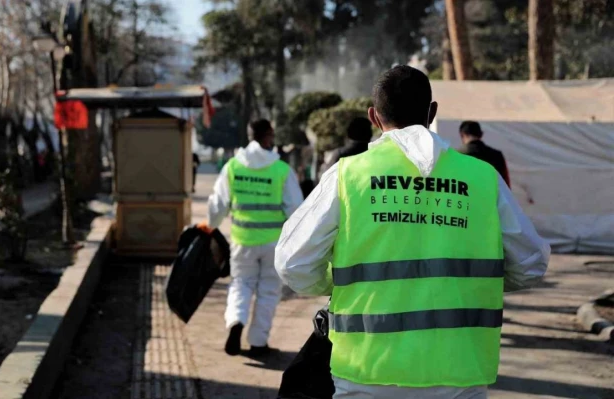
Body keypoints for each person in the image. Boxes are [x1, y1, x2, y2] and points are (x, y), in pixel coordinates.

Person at [275, 66, 550, 399]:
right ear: (432, 111)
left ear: (374, 117)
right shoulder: (483, 178)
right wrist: (470, 287)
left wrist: (337, 283)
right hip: (460, 373)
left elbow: (293, 263)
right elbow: (532, 262)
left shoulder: (348, 176)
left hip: (367, 373)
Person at [202, 119, 303, 357]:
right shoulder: (281, 170)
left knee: (241, 284)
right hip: (273, 243)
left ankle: (236, 321)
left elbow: (218, 205)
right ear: (268, 136)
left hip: (242, 241)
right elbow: (296, 210)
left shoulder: (233, 167)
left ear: (249, 135)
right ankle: (258, 343)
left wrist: (210, 227)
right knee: (268, 290)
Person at [317, 117, 373, 181]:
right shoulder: (374, 154)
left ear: (349, 134)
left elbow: (327, 180)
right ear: (370, 134)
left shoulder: (340, 154)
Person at [459, 121, 511, 187]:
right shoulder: (497, 155)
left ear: (462, 135)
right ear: (481, 134)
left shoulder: (454, 157)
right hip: (491, 196)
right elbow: (506, 186)